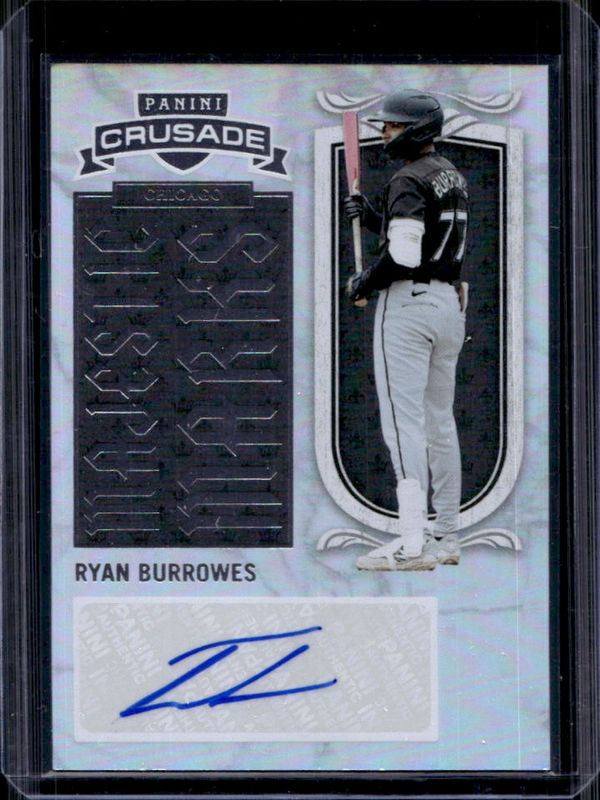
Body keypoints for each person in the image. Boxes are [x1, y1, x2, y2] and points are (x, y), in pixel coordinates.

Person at [344, 90, 469, 571]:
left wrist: (364, 282)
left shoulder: (406, 178)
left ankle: (412, 543)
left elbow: (403, 256)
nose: (384, 132)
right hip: (447, 304)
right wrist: (373, 219)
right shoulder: (448, 172)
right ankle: (447, 537)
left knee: (403, 424)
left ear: (415, 130)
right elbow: (428, 240)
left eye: (392, 125)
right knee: (440, 422)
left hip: (409, 307)